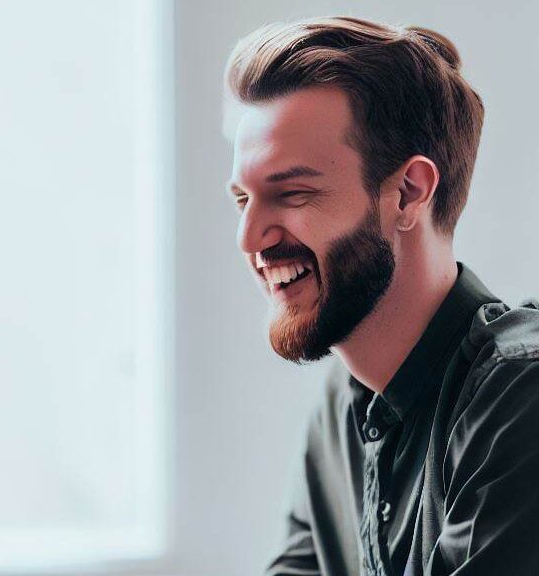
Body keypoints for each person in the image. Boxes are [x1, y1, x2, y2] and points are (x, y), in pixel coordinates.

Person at [225, 17, 539, 575]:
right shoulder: (340, 407)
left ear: (408, 192)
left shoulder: (521, 395)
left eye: (292, 193)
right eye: (243, 199)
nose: (251, 239)